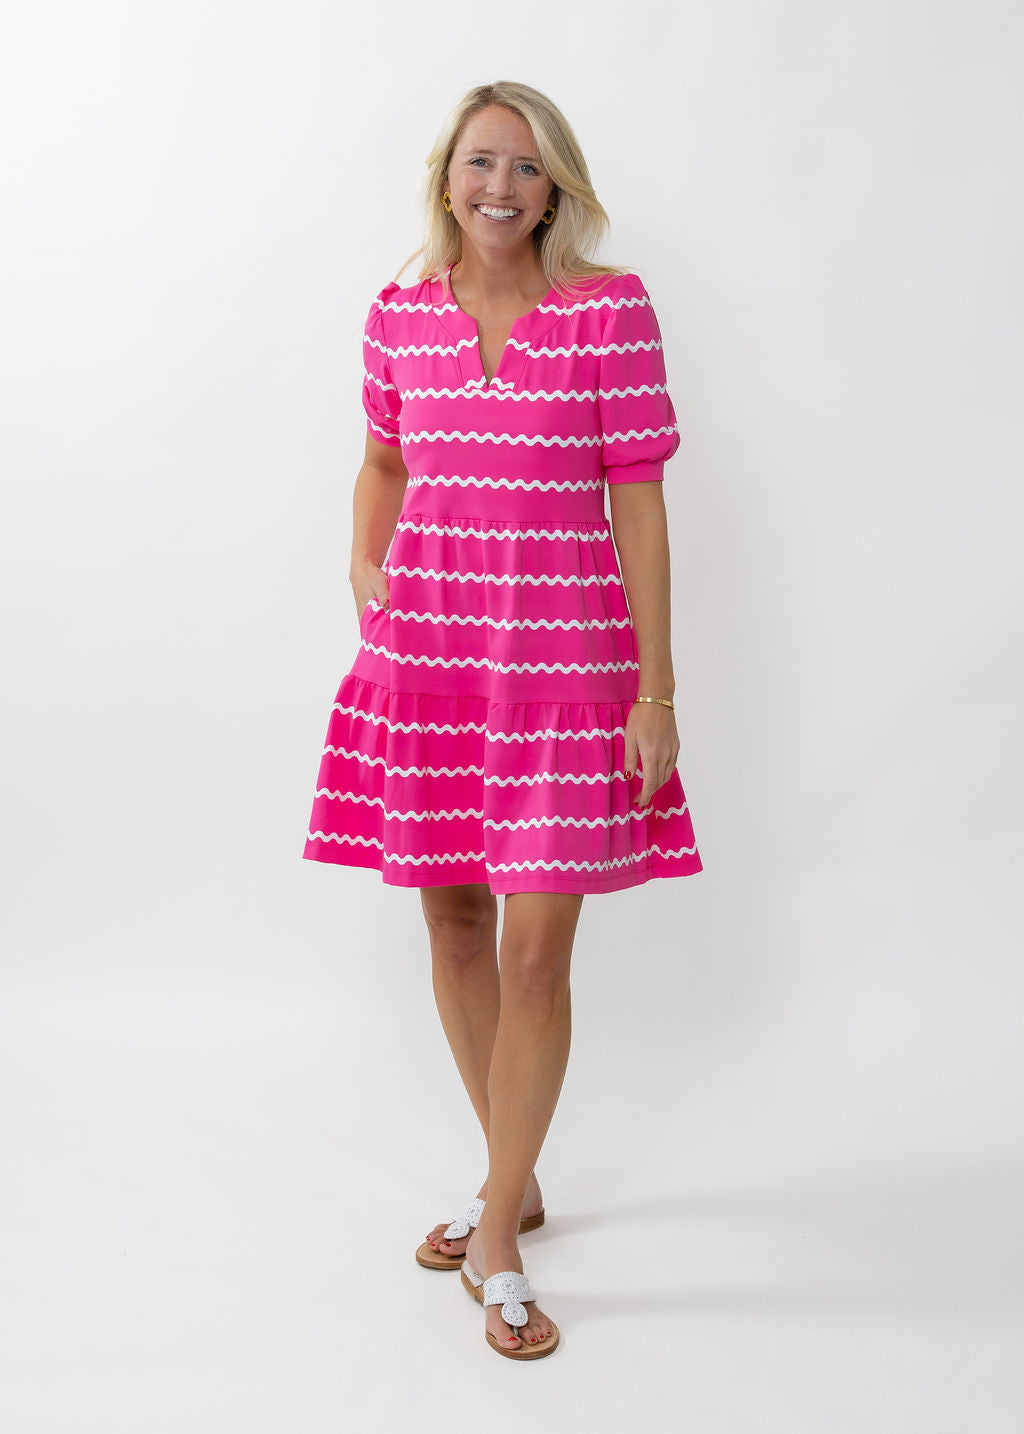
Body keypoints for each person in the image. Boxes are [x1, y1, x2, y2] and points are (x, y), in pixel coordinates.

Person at [302, 80, 703, 1359]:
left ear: (555, 189)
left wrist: (655, 690)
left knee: (536, 956)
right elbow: (383, 458)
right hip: (429, 659)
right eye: (481, 162)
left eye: (526, 168)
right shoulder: (398, 316)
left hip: (566, 669)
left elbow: (638, 500)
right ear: (447, 176)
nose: (500, 187)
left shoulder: (608, 311)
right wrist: (362, 556)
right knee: (456, 926)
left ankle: (495, 1236)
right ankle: (509, 1183)